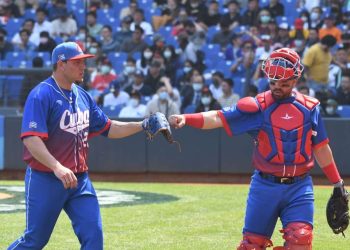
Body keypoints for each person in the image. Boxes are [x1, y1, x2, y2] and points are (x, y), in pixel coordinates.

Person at [169, 48, 347, 249]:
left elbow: (322, 148)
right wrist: (186, 118)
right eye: (273, 82)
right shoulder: (257, 106)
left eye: (284, 83)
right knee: (252, 245)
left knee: (301, 240)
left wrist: (337, 182)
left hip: (299, 186)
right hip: (264, 186)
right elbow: (218, 117)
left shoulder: (310, 108)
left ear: (295, 80)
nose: (277, 87)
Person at [8, 42, 150, 249]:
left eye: (84, 61)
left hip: (79, 181)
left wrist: (143, 125)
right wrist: (57, 167)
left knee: (94, 236)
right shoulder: (41, 94)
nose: (83, 66)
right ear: (61, 64)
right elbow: (31, 139)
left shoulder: (83, 96)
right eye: (77, 62)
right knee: (35, 240)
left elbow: (109, 128)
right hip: (46, 178)